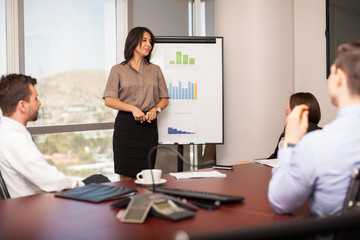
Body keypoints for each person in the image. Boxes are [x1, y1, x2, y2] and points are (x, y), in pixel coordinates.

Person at [268, 40, 360, 218]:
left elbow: (281, 202)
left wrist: (291, 143)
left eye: (331, 72)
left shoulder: (319, 144)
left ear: (339, 78)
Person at [0, 74, 109, 198]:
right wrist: (80, 184)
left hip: (40, 197)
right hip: (42, 203)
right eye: (35, 99)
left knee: (99, 179)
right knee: (101, 181)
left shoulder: (8, 131)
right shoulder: (14, 138)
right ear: (22, 106)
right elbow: (49, 179)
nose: (39, 103)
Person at [103, 27, 169, 178]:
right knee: (125, 178)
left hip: (148, 128)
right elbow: (109, 100)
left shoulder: (155, 70)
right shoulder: (118, 70)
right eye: (144, 40)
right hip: (126, 128)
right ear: (133, 41)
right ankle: (128, 202)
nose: (148, 45)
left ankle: (143, 202)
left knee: (147, 177)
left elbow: (164, 99)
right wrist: (133, 108)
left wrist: (155, 110)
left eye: (150, 42)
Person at [268, 92, 322, 159]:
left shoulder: (316, 134)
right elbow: (275, 156)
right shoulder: (288, 131)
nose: (286, 108)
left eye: (290, 105)